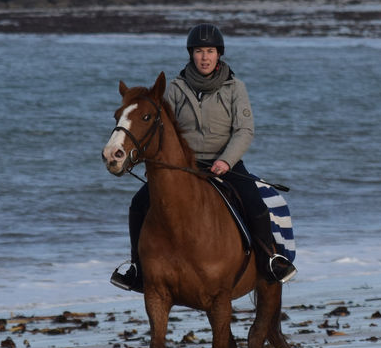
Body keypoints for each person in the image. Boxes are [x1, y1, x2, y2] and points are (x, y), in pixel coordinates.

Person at [111, 23, 297, 291]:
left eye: (210, 51)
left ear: (219, 54)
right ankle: (136, 268)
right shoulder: (174, 88)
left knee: (255, 204)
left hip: (225, 163)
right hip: (185, 167)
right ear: (191, 54)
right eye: (199, 51)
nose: (205, 57)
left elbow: (244, 131)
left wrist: (226, 161)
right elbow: (162, 131)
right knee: (138, 203)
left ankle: (270, 259)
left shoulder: (235, 88)